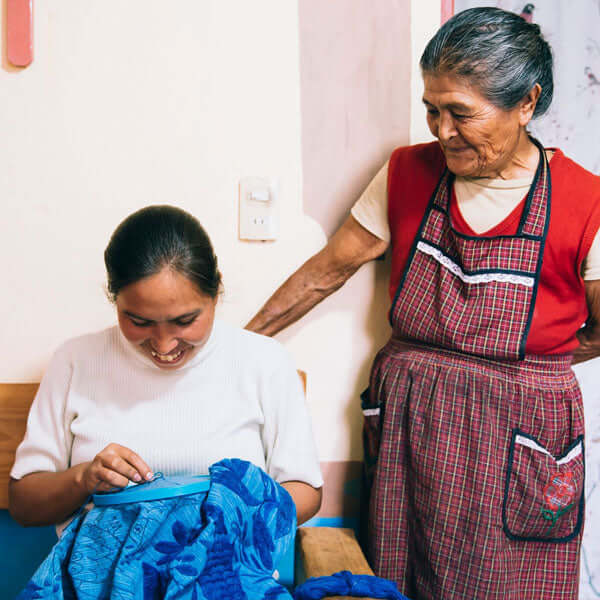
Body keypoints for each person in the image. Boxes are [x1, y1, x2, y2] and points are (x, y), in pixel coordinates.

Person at [246, 7, 600, 600]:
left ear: (526, 103)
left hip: (524, 436)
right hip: (415, 422)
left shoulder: (584, 200)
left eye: (461, 113)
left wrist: (543, 362)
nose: (441, 130)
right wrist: (239, 347)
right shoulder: (406, 173)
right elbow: (327, 271)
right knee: (399, 576)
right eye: (431, 110)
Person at [9, 205, 323, 532]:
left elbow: (305, 489)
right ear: (115, 300)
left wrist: (232, 524)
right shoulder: (75, 361)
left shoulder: (265, 361)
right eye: (139, 322)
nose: (164, 345)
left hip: (225, 571)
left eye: (184, 321)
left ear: (216, 293)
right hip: (100, 580)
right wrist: (83, 477)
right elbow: (24, 504)